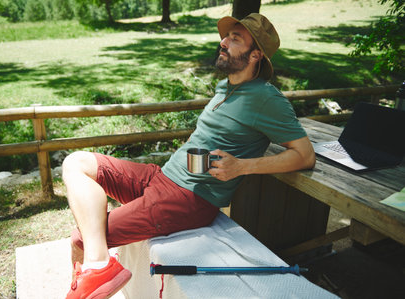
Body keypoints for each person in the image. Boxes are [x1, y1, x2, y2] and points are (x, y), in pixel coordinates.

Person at [63, 13, 315, 299]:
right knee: (76, 163)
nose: (223, 42)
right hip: (161, 176)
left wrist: (241, 166)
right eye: (226, 35)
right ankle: (99, 267)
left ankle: (94, 270)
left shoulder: (267, 99)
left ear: (255, 54)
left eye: (235, 38)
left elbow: (305, 155)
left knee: (81, 241)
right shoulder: (226, 87)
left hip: (188, 199)